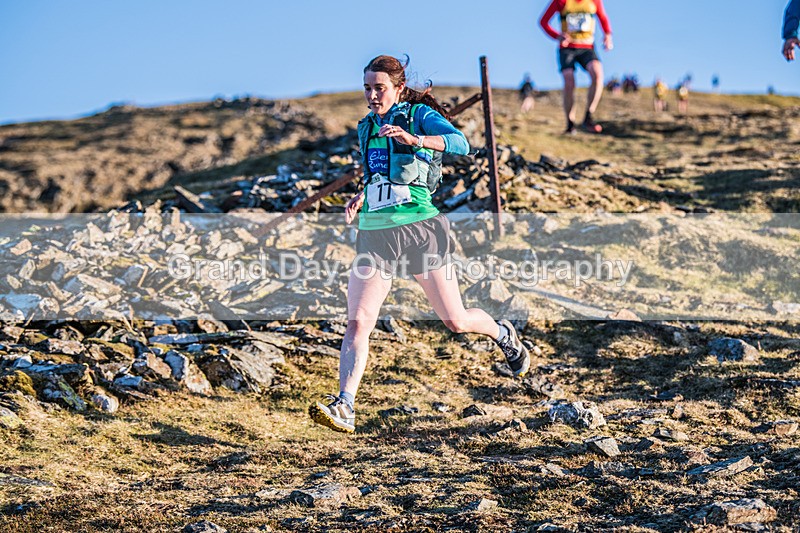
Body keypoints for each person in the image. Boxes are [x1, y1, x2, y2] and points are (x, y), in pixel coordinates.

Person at [308, 55, 531, 434]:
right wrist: (364, 194)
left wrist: (417, 140)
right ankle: (345, 404)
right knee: (358, 321)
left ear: (397, 87)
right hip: (375, 232)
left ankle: (503, 334)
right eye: (367, 88)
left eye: (379, 88)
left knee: (455, 320)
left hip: (420, 229)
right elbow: (380, 170)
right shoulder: (366, 127)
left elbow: (461, 144)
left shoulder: (416, 116)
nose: (372, 95)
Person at [540, 0, 614, 134]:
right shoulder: (560, 1)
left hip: (587, 47)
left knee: (597, 75)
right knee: (569, 82)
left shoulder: (594, 1)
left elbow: (603, 17)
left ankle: (588, 116)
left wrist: (607, 35)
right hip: (567, 48)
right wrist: (557, 36)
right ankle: (570, 123)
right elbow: (543, 22)